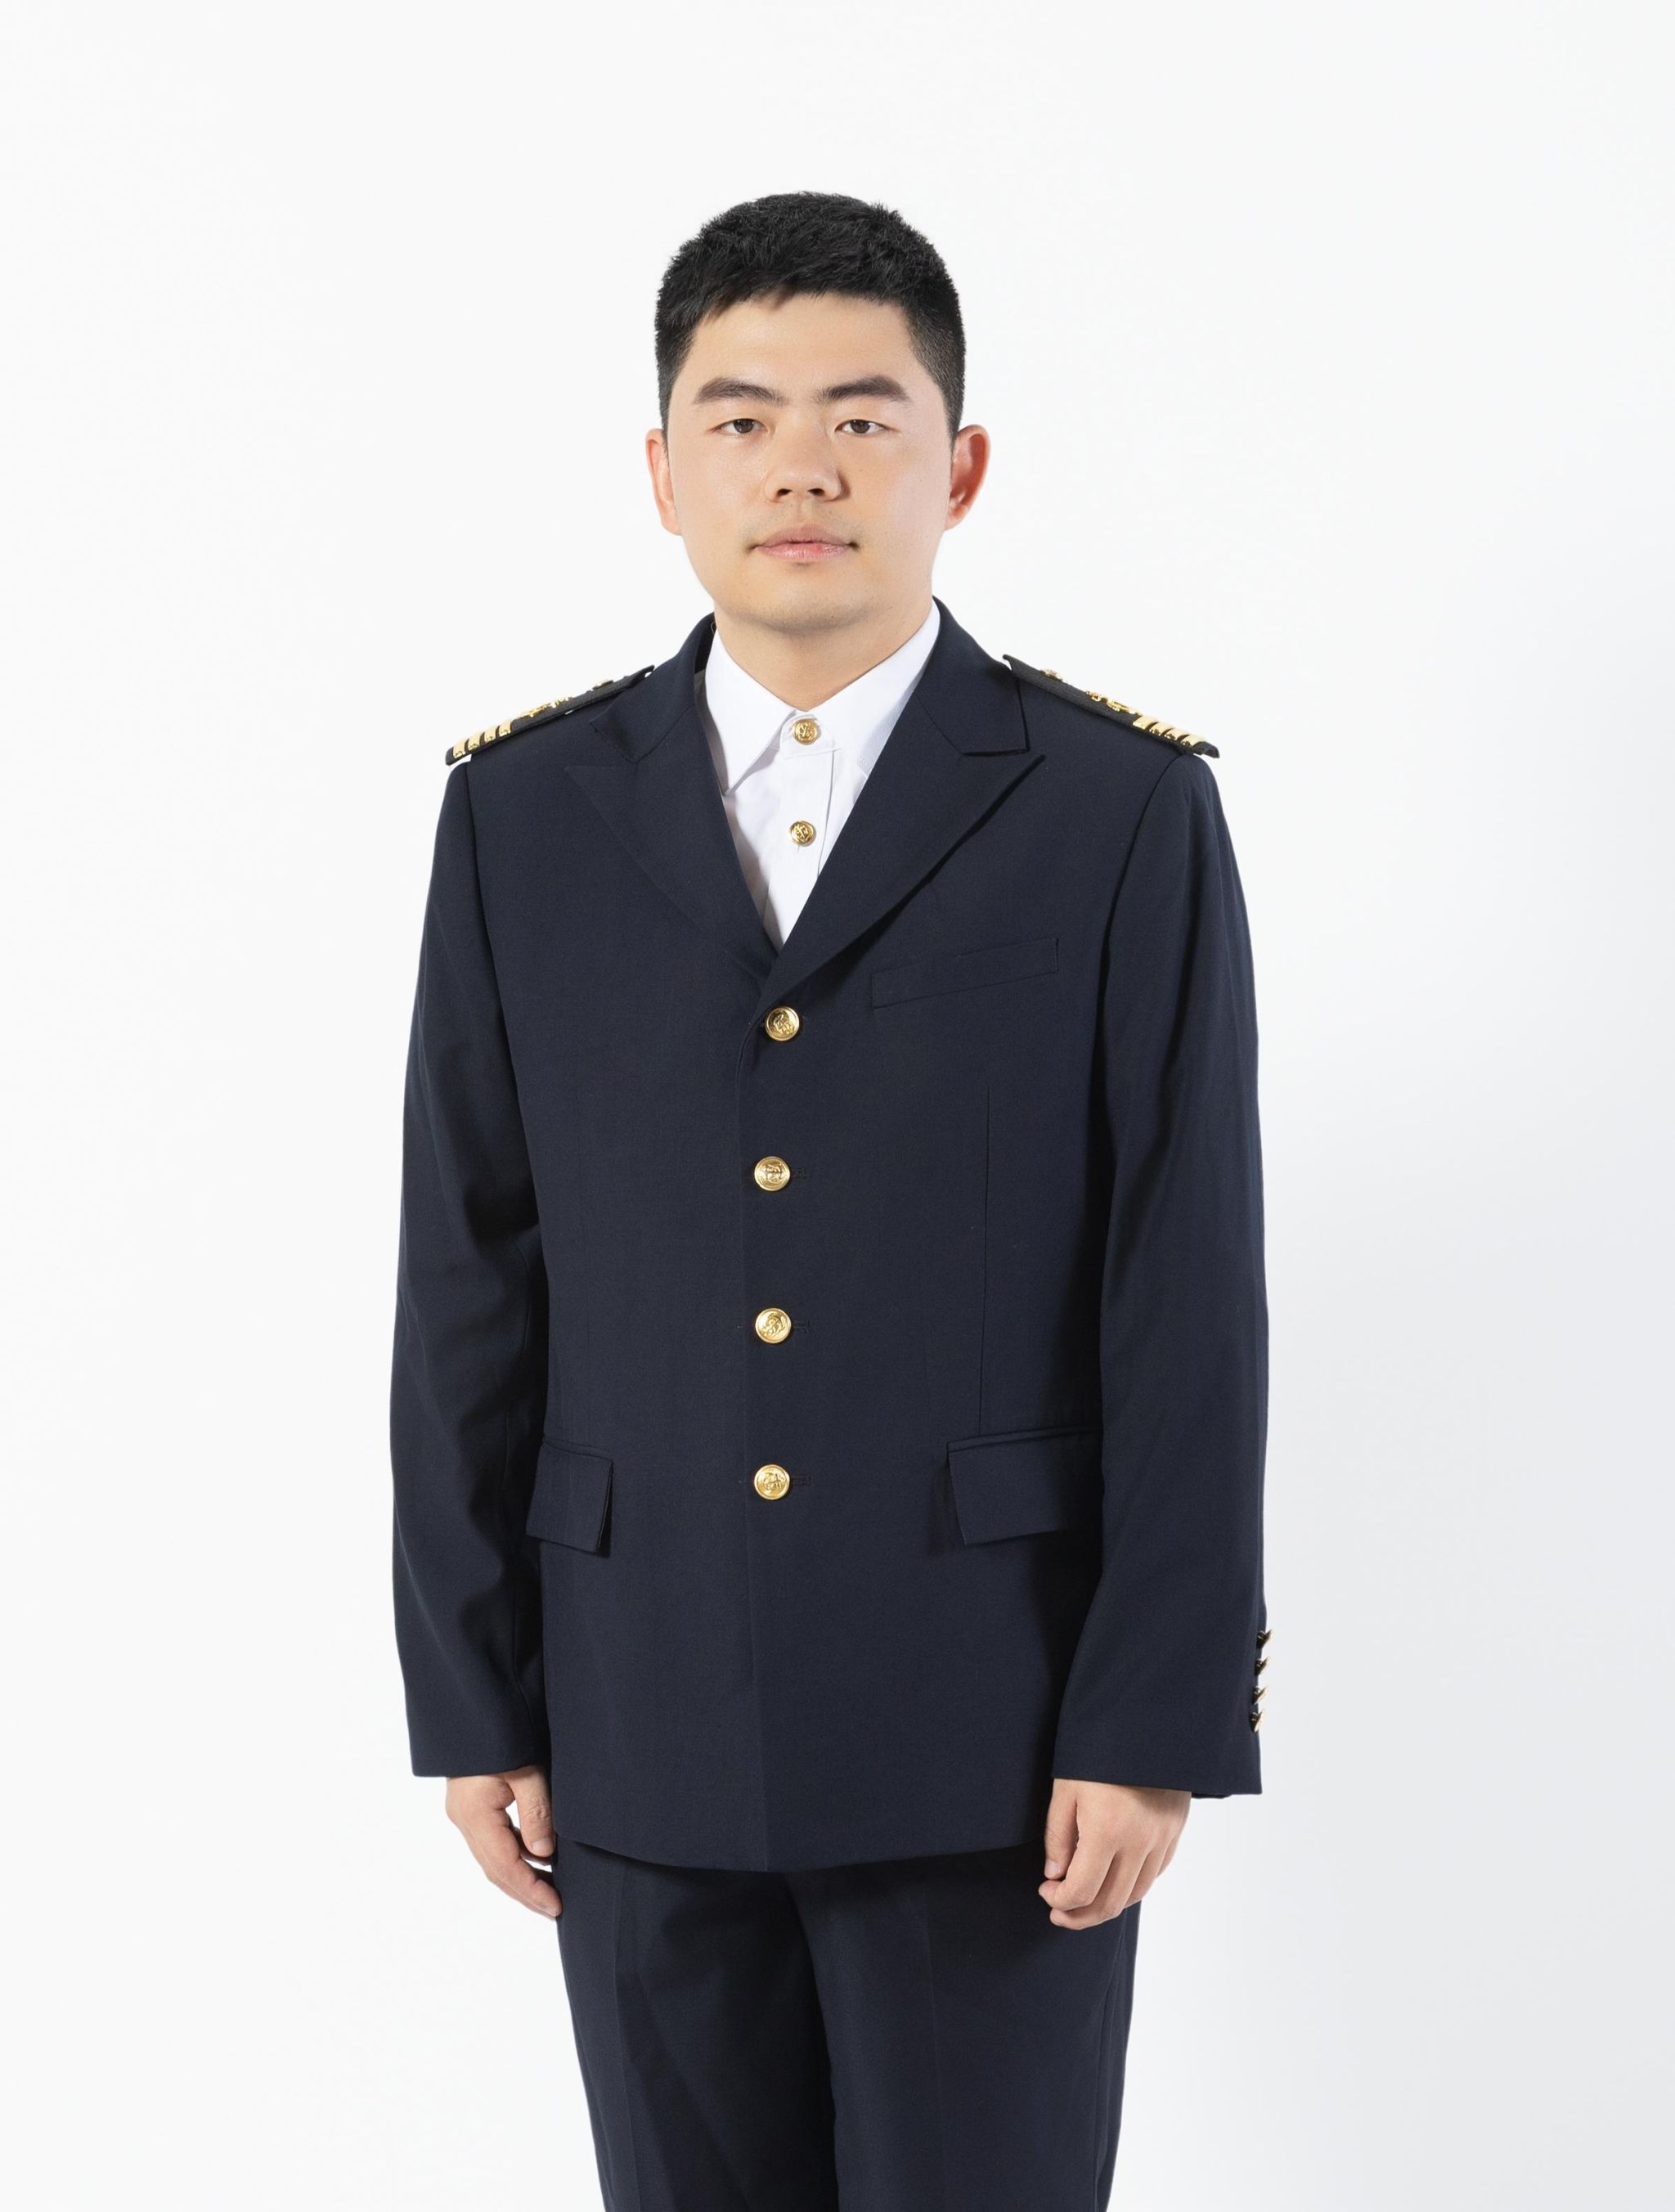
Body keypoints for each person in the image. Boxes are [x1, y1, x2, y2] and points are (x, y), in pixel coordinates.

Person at [390, 188, 1269, 2211]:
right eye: (743, 418)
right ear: (662, 473)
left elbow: (1183, 1287)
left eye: (864, 418)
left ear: (958, 467)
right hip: (634, 1713)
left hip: (996, 1734)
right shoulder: (520, 815)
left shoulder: (1116, 811)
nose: (803, 466)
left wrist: (1147, 1715)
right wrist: (473, 1688)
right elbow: (470, 1269)